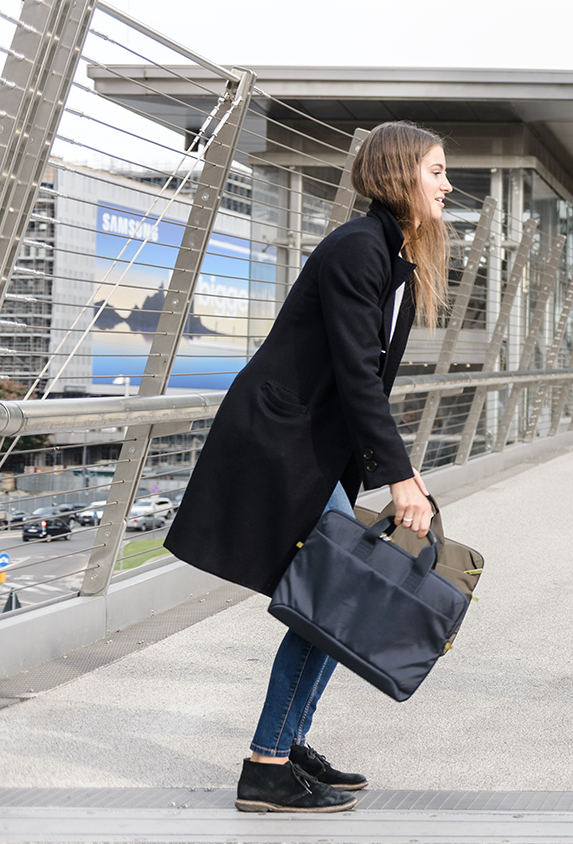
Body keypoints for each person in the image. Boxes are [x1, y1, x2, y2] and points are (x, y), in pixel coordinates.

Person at [165, 121, 450, 814]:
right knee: (333, 594)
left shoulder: (392, 254)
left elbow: (364, 379)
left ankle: (287, 745)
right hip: (282, 439)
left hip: (313, 444)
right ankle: (267, 763)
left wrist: (398, 470)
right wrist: (400, 477)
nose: (448, 185)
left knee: (335, 595)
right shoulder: (360, 248)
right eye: (437, 171)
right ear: (399, 173)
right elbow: (356, 375)